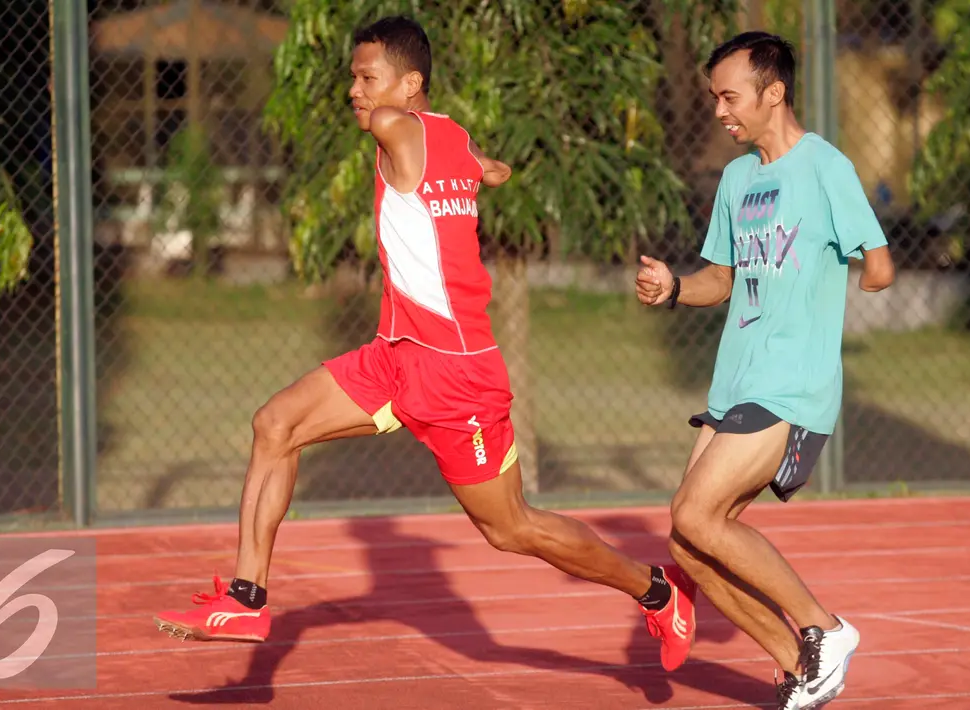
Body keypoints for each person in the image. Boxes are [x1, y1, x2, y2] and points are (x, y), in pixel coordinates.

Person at [154, 15, 698, 674]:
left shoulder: (393, 127)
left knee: (511, 529)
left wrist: (469, 162)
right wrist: (486, 170)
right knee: (275, 424)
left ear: (411, 85)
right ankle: (246, 598)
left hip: (455, 373)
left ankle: (657, 590)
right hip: (393, 355)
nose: (353, 91)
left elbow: (435, 144)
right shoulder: (451, 134)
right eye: (352, 78)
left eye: (366, 77)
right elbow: (483, 166)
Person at [634, 31, 895, 710]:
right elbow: (718, 279)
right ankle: (798, 667)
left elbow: (879, 261)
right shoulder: (736, 179)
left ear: (772, 92)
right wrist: (673, 289)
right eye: (713, 97)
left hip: (792, 381)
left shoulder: (824, 167)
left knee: (694, 511)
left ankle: (823, 628)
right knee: (689, 543)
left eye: (730, 96)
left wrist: (862, 277)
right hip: (735, 382)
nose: (720, 110)